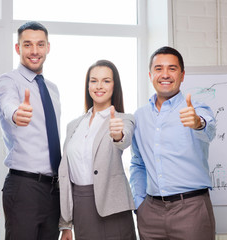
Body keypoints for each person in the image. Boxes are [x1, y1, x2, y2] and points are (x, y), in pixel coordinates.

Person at [129, 46, 216, 240]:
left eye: (172, 68)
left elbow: (209, 129)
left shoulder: (196, 108)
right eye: (159, 68)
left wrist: (197, 122)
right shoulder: (140, 116)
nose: (165, 74)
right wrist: (139, 203)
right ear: (150, 74)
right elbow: (138, 163)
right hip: (150, 213)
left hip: (191, 210)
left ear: (182, 75)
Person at [0, 21, 61, 239]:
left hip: (53, 189)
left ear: (48, 48)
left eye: (40, 45)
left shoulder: (52, 89)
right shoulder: (8, 81)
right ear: (18, 48)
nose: (34, 51)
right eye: (28, 45)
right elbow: (7, 104)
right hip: (24, 187)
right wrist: (16, 113)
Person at [59, 60, 137, 240]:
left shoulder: (124, 119)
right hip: (81, 206)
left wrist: (118, 135)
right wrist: (65, 223)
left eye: (106, 81)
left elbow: (123, 140)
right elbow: (65, 174)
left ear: (114, 86)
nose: (99, 86)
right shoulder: (73, 126)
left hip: (113, 206)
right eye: (94, 81)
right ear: (88, 86)